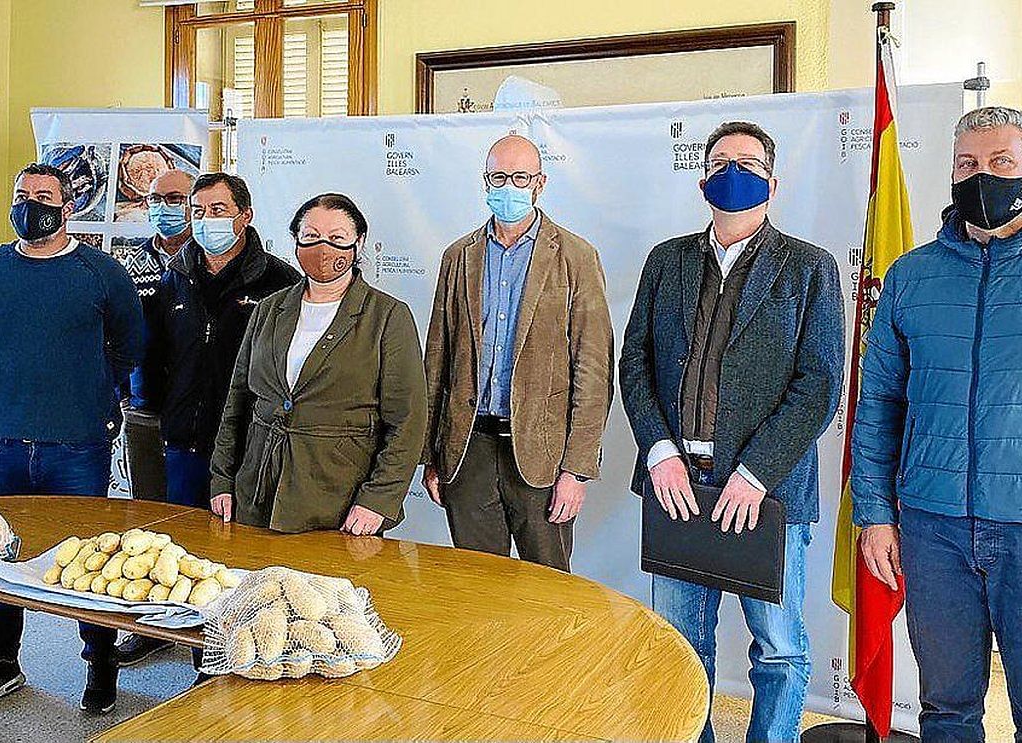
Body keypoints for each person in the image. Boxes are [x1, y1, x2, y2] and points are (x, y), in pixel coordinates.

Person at [619, 121, 844, 743]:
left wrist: (755, 473)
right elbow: (634, 360)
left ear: (773, 180)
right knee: (680, 647)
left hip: (765, 493)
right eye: (721, 161)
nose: (733, 171)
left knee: (778, 649)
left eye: (747, 161)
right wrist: (659, 452)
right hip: (677, 486)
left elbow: (819, 386)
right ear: (702, 178)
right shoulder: (668, 260)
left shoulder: (809, 267)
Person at [851, 106, 1022, 742]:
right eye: (969, 164)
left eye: (1003, 162)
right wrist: (873, 514)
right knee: (947, 710)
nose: (985, 176)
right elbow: (879, 405)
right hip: (932, 529)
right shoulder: (910, 277)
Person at [0, 163, 144, 716]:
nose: (31, 203)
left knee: (90, 558)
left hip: (78, 443)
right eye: (21, 195)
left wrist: (83, 390)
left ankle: (99, 659)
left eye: (43, 195)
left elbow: (128, 347)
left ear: (68, 206)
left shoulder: (101, 273)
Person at [116, 173, 297, 668]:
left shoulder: (279, 282)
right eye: (199, 210)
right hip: (181, 434)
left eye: (218, 209)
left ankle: (229, 645)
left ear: (246, 215)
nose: (206, 220)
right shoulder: (172, 275)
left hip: (246, 437)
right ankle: (167, 625)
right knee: (178, 537)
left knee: (237, 545)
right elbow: (153, 352)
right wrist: (145, 406)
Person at [420, 134, 614, 573]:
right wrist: (432, 454)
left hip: (542, 458)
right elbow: (437, 359)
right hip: (467, 449)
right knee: (478, 584)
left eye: (520, 177)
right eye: (498, 177)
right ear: (485, 181)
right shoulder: (457, 256)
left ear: (539, 182)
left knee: (548, 589)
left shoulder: (575, 257)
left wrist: (577, 469)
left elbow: (594, 368)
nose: (509, 187)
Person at [209, 192, 427, 535]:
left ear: (359, 242)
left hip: (339, 502)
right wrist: (222, 478)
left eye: (337, 238)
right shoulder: (268, 309)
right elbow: (238, 401)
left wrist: (378, 500)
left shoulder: (387, 317)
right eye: (311, 236)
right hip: (257, 493)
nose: (323, 248)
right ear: (296, 240)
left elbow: (408, 421)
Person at [120, 168, 196, 504]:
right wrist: (124, 394)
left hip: (199, 414)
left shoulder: (209, 262)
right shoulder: (132, 262)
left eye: (174, 199)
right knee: (147, 509)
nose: (163, 207)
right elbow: (118, 332)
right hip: (144, 408)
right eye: (155, 199)